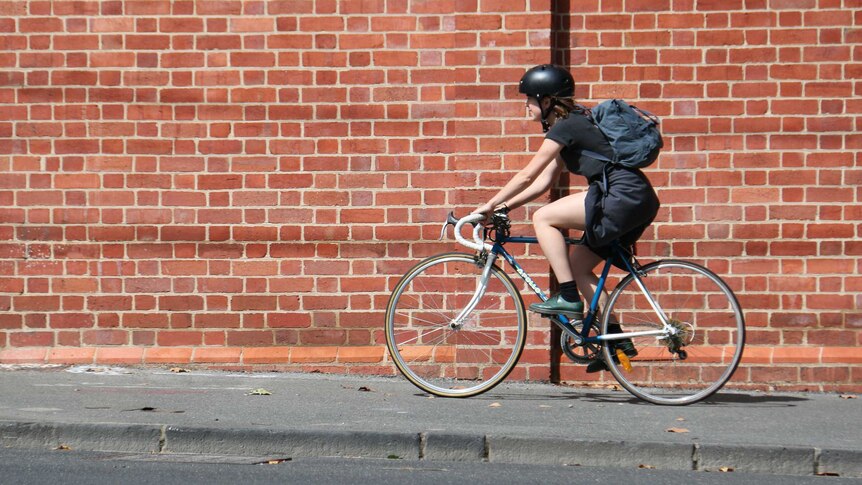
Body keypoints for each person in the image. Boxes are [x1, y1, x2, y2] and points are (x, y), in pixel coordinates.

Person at [472, 64, 660, 372]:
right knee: (578, 266)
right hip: (635, 199)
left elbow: (526, 174)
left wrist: (489, 205)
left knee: (545, 218)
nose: (525, 105)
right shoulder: (572, 125)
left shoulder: (566, 127)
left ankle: (569, 298)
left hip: (620, 196)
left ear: (546, 101)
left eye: (529, 98)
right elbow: (542, 184)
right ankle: (616, 339)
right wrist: (504, 208)